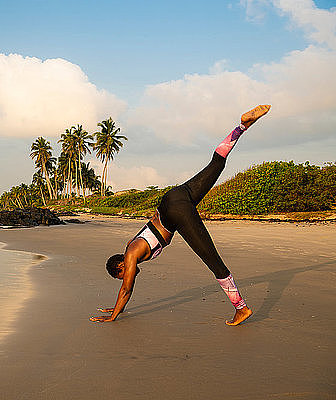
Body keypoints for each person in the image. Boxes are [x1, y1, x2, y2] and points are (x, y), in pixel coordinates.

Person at [90, 104, 271, 326]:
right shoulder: (130, 246)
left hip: (175, 212)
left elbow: (127, 288)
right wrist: (118, 306)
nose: (129, 274)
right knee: (216, 164)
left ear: (120, 266)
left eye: (123, 273)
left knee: (214, 262)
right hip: (175, 196)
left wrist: (113, 316)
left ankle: (241, 309)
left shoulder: (130, 256)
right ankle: (242, 126)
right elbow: (127, 286)